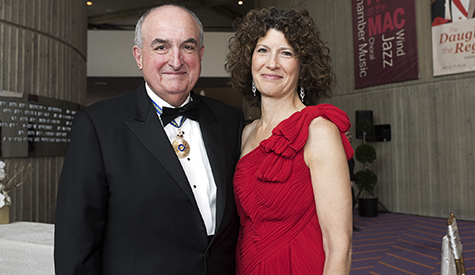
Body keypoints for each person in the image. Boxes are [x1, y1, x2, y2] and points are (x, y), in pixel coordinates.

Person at [54, 5, 244, 275]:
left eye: (188, 47)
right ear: (139, 56)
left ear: (200, 54)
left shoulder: (229, 120)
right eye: (161, 47)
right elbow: (76, 243)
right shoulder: (98, 124)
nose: (176, 61)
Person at [225, 7, 353, 275]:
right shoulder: (247, 134)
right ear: (249, 61)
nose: (272, 63)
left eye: (286, 52)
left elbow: (339, 246)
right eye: (262, 50)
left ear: (303, 65)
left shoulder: (318, 131)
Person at [346, 130, 360, 232]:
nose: (350, 137)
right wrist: (347, 181)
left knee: (351, 204)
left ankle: (350, 226)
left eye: (350, 134)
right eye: (347, 135)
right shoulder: (340, 150)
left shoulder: (348, 149)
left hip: (349, 182)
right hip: (344, 183)